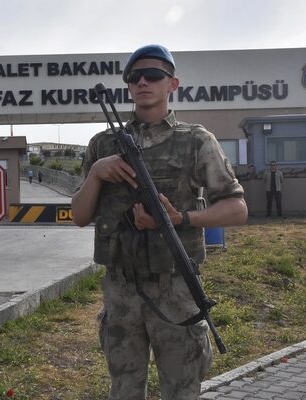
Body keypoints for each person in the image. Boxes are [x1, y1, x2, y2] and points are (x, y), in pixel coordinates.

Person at [71, 44, 248, 400]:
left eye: (153, 75)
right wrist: (96, 173)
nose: (142, 82)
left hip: (176, 290)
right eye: (134, 77)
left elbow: (236, 208)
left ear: (173, 84)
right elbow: (79, 216)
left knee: (181, 388)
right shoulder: (103, 143)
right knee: (123, 389)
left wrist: (181, 217)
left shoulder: (195, 141)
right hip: (121, 290)